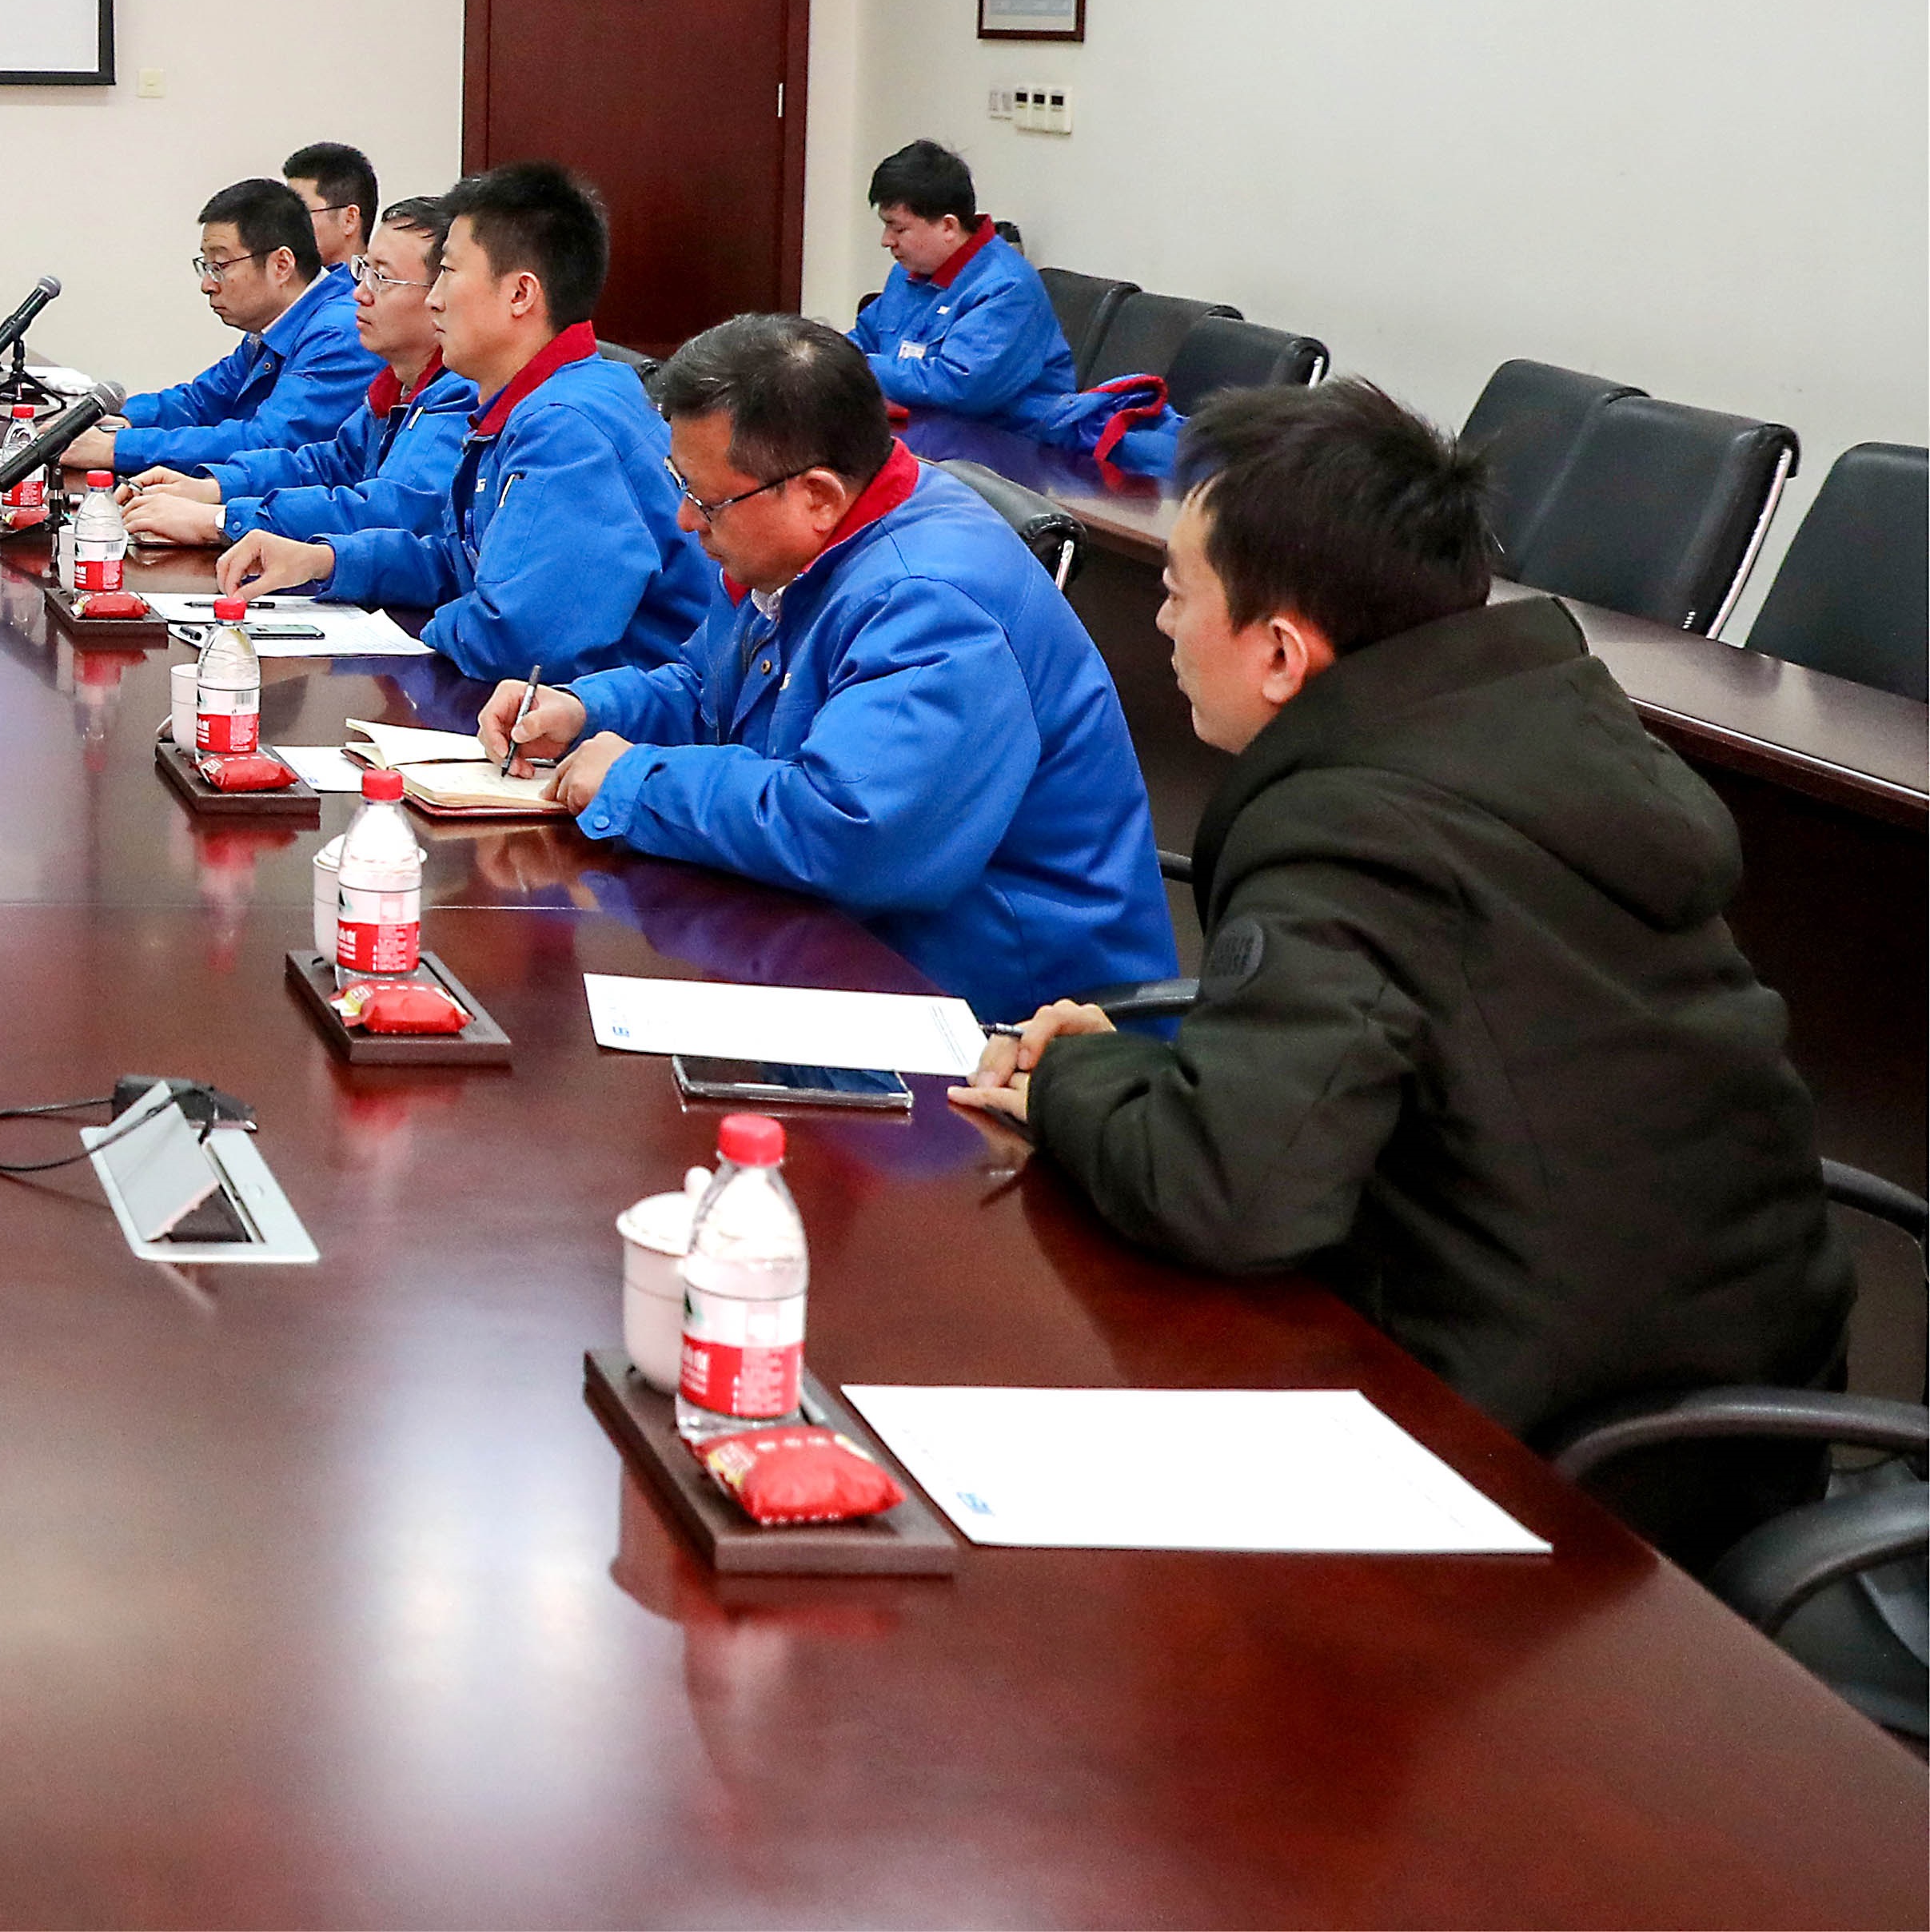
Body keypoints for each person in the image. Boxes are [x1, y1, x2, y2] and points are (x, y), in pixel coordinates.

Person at [953, 382, 1852, 1564]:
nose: (1161, 622)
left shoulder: (1355, 829)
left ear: (1282, 652)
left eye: (1177, 590)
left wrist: (1073, 1078)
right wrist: (1141, 1076)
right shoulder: (1533, 731)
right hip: (1724, 1397)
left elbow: (1227, 1192)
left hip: (1560, 1468)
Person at [481, 315, 1161, 1021]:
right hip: (845, 940)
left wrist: (636, 779)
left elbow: (853, 834)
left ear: (818, 496)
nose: (685, 519)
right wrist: (586, 710)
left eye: (707, 500)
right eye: (681, 485)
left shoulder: (933, 603)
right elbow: (708, 690)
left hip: (999, 1007)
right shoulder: (796, 544)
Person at [216, 161, 721, 681]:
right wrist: (323, 561)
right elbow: (461, 562)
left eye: (449, 273)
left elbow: (519, 642)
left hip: (611, 716)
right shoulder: (523, 404)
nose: (433, 299)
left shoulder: (568, 427)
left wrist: (424, 630)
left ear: (520, 294)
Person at [119, 197, 477, 551]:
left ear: (440, 297)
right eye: (363, 271)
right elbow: (329, 464)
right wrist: (212, 487)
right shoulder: (393, 387)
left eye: (381, 278)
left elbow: (384, 513)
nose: (359, 293)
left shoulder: (458, 393)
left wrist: (220, 520)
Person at [86, 173, 378, 476]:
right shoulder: (275, 326)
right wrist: (117, 422)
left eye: (220, 267)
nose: (207, 285)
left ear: (281, 265)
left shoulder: (338, 333)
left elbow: (266, 441)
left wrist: (114, 448)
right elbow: (201, 401)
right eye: (205, 267)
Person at [847, 138, 1075, 433]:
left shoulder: (1007, 287)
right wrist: (822, 359)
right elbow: (864, 338)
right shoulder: (906, 274)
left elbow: (959, 386)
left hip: (1008, 445)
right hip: (919, 434)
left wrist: (861, 368)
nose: (886, 240)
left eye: (899, 228)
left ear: (948, 227)